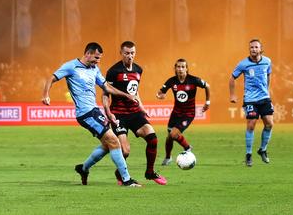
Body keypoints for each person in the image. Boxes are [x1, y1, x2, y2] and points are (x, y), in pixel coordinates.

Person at [42, 42, 141, 187]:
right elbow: (51, 78)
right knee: (114, 141)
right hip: (85, 113)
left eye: (99, 58)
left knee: (108, 145)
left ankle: (83, 169)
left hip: (94, 111)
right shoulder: (71, 66)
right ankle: (127, 180)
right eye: (96, 57)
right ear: (87, 53)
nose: (97, 61)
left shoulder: (94, 69)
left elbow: (106, 87)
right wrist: (46, 95)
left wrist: (126, 95)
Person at [103, 41, 167, 185]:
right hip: (119, 114)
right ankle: (120, 173)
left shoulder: (138, 69)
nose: (130, 56)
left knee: (153, 139)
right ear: (121, 53)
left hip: (135, 112)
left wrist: (142, 107)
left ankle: (149, 172)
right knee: (125, 151)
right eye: (126, 53)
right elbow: (106, 92)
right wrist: (108, 112)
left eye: (132, 53)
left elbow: (135, 89)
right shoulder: (114, 71)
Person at [156, 58, 210, 165]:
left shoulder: (194, 80)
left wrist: (207, 102)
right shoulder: (171, 81)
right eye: (178, 67)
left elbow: (207, 86)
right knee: (169, 137)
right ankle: (168, 157)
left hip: (188, 114)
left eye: (183, 67)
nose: (180, 69)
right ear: (175, 69)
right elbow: (160, 92)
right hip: (175, 113)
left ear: (186, 69)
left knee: (173, 134)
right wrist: (160, 95)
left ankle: (187, 147)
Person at [229, 39, 274, 167]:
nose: (253, 49)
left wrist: (267, 90)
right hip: (250, 99)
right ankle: (248, 154)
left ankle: (262, 150)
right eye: (251, 47)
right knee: (251, 124)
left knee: (270, 124)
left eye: (256, 47)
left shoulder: (267, 61)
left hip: (264, 97)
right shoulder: (243, 64)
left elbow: (269, 75)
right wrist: (232, 94)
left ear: (261, 49)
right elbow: (232, 78)